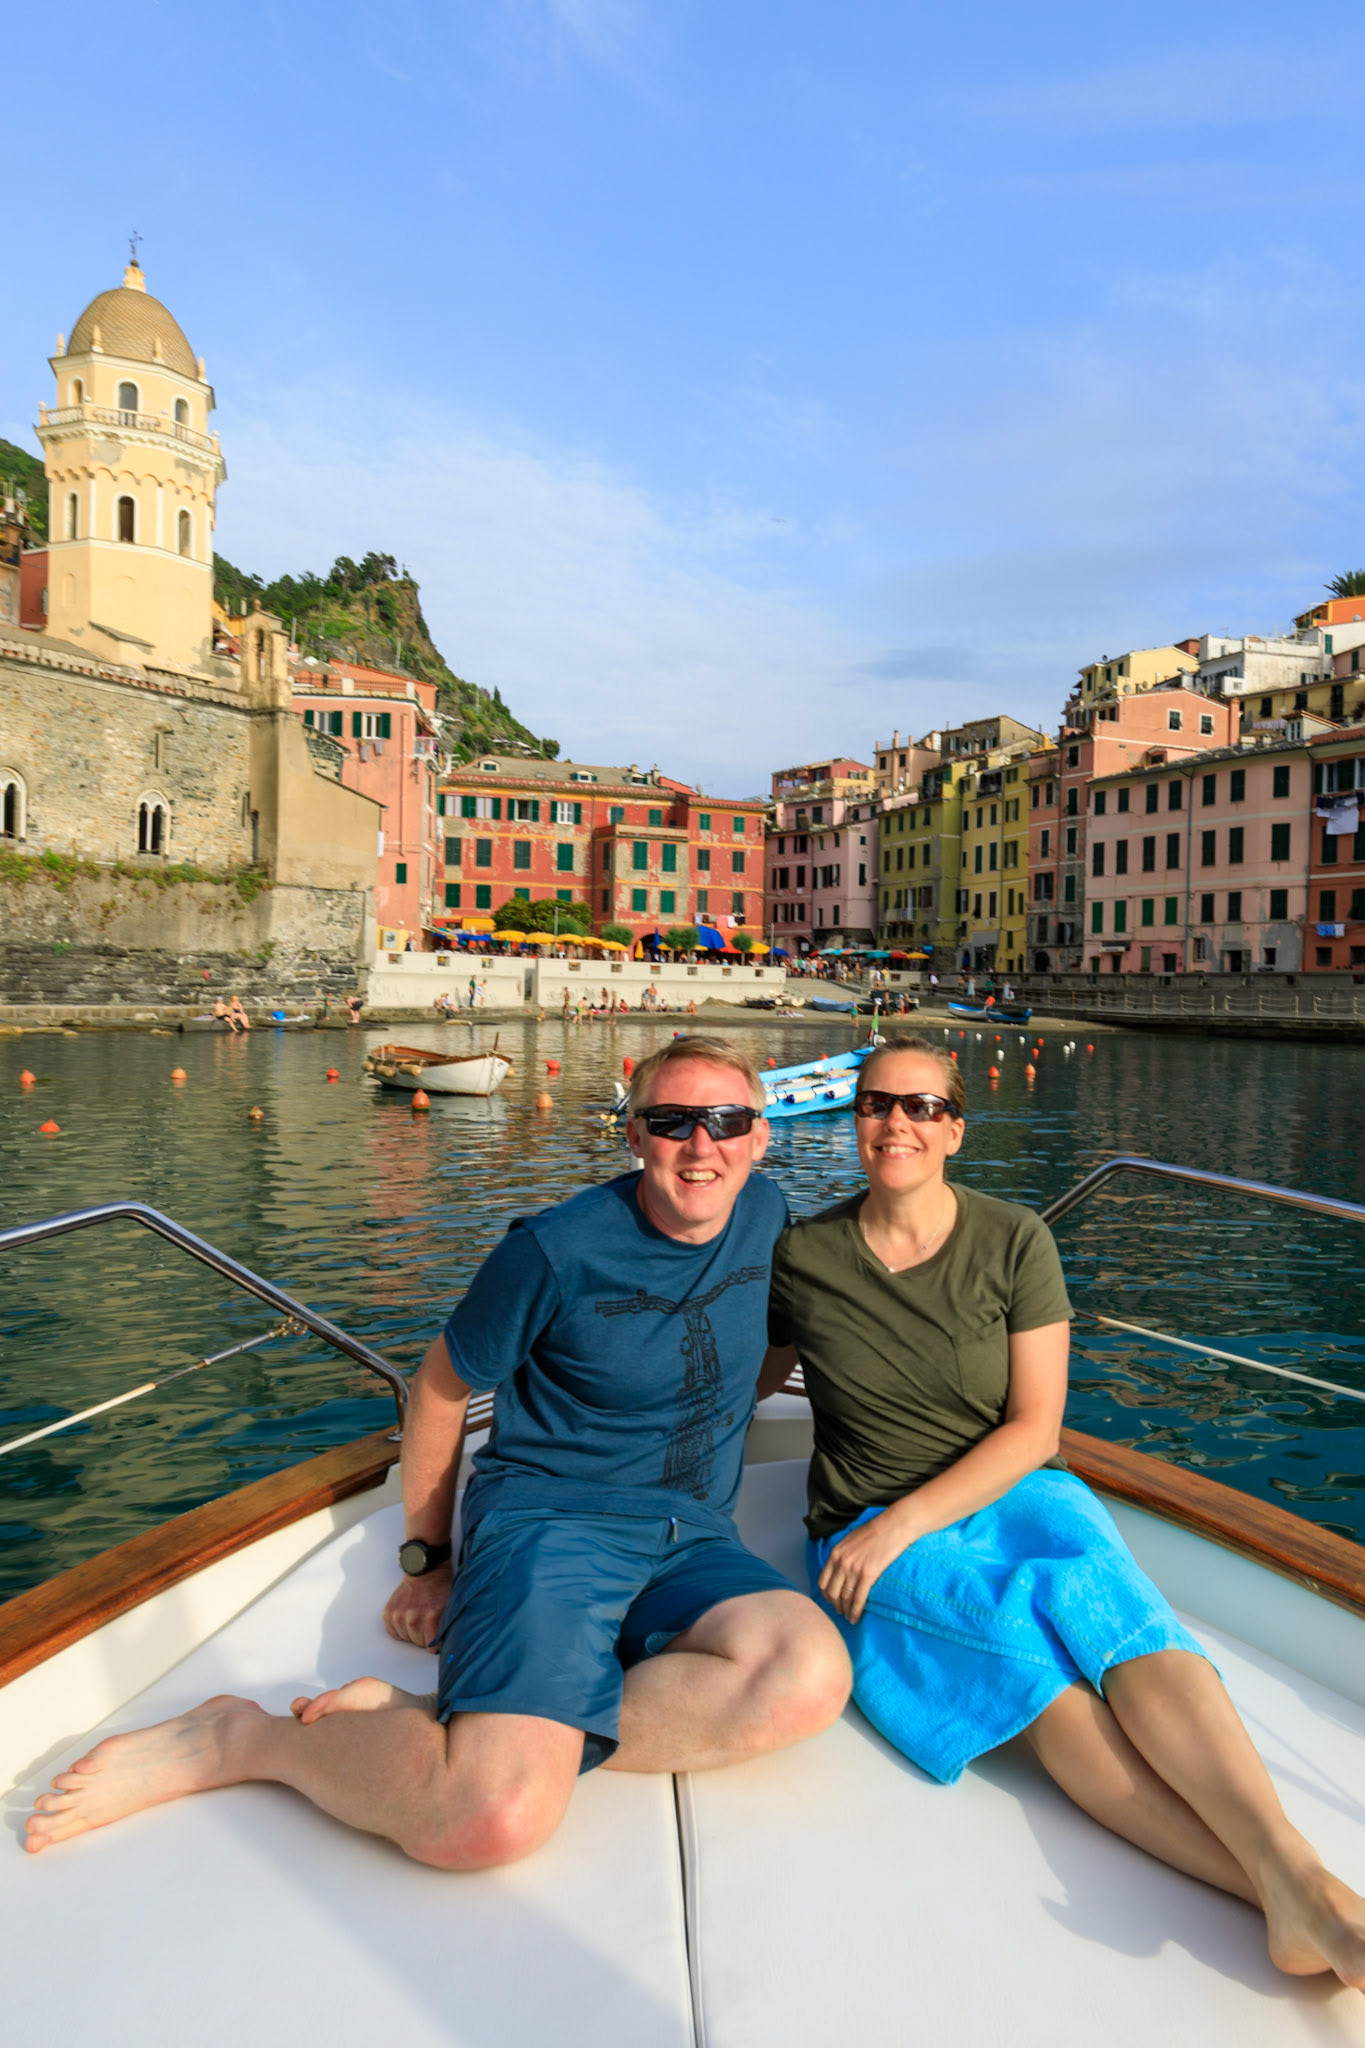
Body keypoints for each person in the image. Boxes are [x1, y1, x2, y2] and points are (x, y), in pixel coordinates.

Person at [26, 1036, 850, 1869]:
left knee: (807, 1676)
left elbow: (772, 1342)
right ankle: (240, 1740)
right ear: (633, 1135)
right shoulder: (555, 1251)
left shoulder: (765, 1211)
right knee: (486, 1818)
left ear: (759, 1133)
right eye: (671, 1121)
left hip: (692, 1532)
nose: (701, 1144)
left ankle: (456, 1712)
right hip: (554, 1523)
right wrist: (430, 1562)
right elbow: (439, 1391)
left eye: (725, 1120)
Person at [768, 1034, 1365, 1994]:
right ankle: (1303, 1899)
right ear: (855, 1119)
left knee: (1115, 1615)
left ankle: (1297, 1879)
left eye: (921, 1106)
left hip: (1007, 1491)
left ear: (955, 1127)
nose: (895, 1123)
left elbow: (1034, 1429)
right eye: (877, 1103)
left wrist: (908, 1518)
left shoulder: (1012, 1240)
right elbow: (734, 1391)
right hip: (864, 1526)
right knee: (1028, 1668)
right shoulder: (803, 1255)